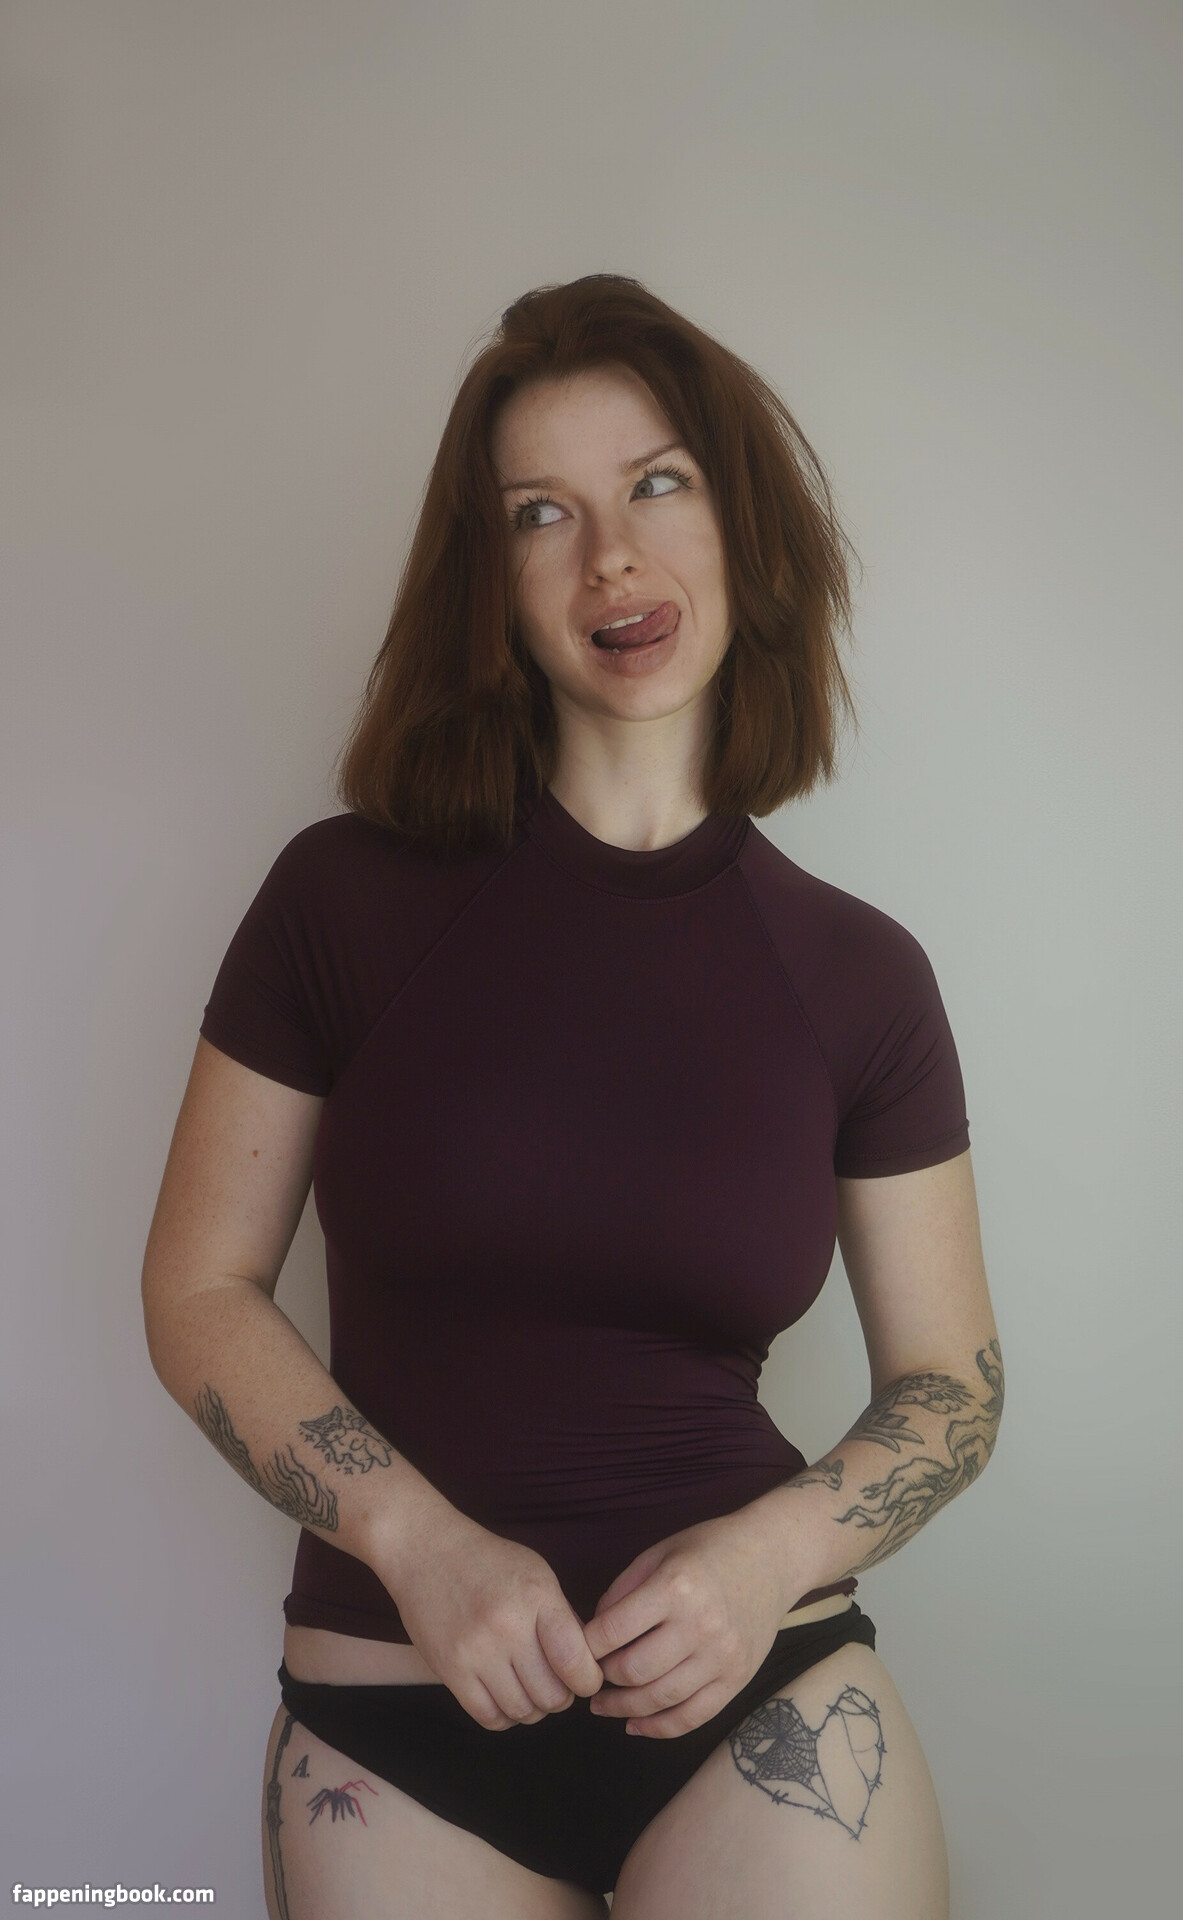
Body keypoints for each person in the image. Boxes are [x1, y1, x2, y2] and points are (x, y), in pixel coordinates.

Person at [141, 273, 1002, 1919]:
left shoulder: (861, 975)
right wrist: (420, 1544)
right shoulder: (340, 900)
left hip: (758, 1689)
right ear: (495, 583)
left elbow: (950, 1383)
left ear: (743, 528)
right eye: (542, 512)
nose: (609, 554)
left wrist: (770, 1554)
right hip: (399, 1706)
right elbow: (196, 1288)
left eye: (656, 484)